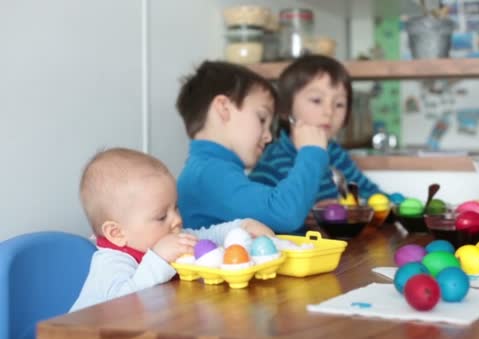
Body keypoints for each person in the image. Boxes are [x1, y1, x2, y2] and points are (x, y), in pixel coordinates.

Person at [70, 148, 273, 312]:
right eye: (161, 216)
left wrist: (242, 226)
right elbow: (121, 307)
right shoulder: (111, 262)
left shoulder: (167, 236)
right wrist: (158, 258)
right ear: (117, 233)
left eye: (176, 207)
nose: (176, 219)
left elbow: (205, 236)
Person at [175, 61, 328, 233]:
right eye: (262, 119)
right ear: (223, 108)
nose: (268, 136)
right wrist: (312, 152)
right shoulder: (209, 173)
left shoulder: (207, 169)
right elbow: (285, 214)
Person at [249, 54, 382, 203]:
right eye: (317, 100)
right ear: (286, 109)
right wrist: (319, 211)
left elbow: (370, 193)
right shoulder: (274, 161)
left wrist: (393, 203)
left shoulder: (335, 154)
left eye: (339, 104)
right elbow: (267, 215)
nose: (329, 112)